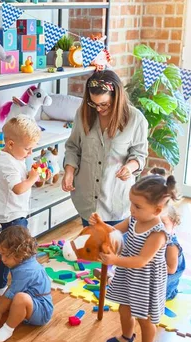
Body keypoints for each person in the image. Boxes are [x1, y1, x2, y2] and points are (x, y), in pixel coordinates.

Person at [96, 172, 180, 342]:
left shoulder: (158, 233)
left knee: (145, 317)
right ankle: (127, 336)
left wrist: (114, 259)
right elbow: (115, 230)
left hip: (146, 280)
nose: (132, 209)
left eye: (137, 206)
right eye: (132, 204)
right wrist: (101, 227)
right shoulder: (134, 219)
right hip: (127, 275)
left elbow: (142, 261)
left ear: (158, 209)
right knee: (124, 308)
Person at [62, 70, 149, 227]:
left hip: (115, 201)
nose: (98, 109)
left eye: (104, 104)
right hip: (86, 200)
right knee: (90, 248)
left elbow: (140, 154)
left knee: (114, 249)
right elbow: (73, 147)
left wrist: (130, 167)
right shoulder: (83, 114)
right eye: (93, 103)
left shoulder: (136, 119)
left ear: (116, 98)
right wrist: (69, 171)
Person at [0, 226, 53, 342]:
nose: (3, 259)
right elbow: (12, 290)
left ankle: (8, 328)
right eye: (1, 255)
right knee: (13, 289)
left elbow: (13, 294)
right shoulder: (24, 260)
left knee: (18, 297)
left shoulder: (26, 271)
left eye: (6, 255)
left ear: (20, 252)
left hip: (42, 311)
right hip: (32, 301)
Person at [0, 115, 41, 296]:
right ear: (11, 144)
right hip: (12, 215)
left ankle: (0, 285)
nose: (29, 153)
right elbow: (18, 189)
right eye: (27, 149)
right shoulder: (6, 162)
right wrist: (31, 179)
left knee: (11, 251)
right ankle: (9, 285)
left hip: (16, 212)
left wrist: (30, 175)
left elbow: (21, 181)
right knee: (15, 253)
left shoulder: (15, 157)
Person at [149, 167, 186, 300]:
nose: (159, 227)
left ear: (174, 223)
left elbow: (171, 269)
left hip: (164, 287)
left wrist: (150, 261)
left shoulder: (171, 245)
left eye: (163, 224)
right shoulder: (154, 235)